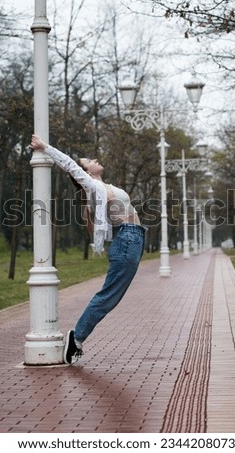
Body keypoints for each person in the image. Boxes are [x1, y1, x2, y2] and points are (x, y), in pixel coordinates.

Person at [30, 134, 146, 364]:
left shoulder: (101, 189)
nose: (94, 159)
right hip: (127, 241)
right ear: (86, 172)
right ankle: (77, 337)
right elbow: (69, 165)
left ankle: (79, 337)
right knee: (109, 295)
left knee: (112, 295)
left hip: (132, 240)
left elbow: (94, 227)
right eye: (88, 160)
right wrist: (45, 147)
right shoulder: (92, 185)